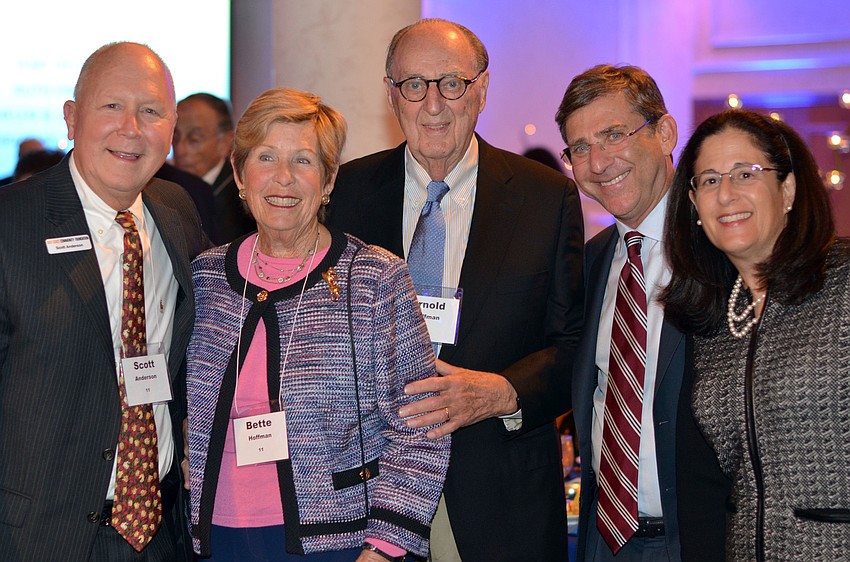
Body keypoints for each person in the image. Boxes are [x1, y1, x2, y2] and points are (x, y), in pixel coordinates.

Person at [328, 18, 584, 561]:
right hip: (366, 503)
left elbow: (574, 348)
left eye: (452, 83)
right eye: (413, 85)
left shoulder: (545, 199)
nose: (434, 104)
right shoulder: (344, 194)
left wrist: (503, 392)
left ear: (483, 88)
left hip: (501, 498)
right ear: (391, 95)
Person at [186, 87, 450, 562]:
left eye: (304, 161)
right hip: (219, 540)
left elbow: (421, 427)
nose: (283, 178)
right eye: (265, 157)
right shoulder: (207, 276)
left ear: (328, 181)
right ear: (239, 176)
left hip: (341, 545)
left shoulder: (373, 277)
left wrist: (386, 548)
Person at [0, 42, 208, 561]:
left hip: (163, 530)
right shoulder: (9, 225)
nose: (131, 128)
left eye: (151, 111)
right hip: (39, 536)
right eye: (111, 106)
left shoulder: (176, 213)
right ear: (71, 118)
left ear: (172, 129)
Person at [555, 64, 728, 561]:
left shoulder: (720, 245)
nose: (599, 161)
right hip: (603, 540)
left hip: (699, 540)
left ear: (666, 132)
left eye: (613, 134)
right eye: (580, 148)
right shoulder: (591, 261)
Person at [661, 110, 850, 560]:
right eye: (708, 181)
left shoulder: (842, 283)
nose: (725, 194)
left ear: (787, 189)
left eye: (745, 174)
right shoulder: (714, 317)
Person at [173, 92, 255, 244]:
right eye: (175, 137)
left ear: (225, 143)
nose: (180, 150)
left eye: (194, 139)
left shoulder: (242, 197)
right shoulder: (162, 185)